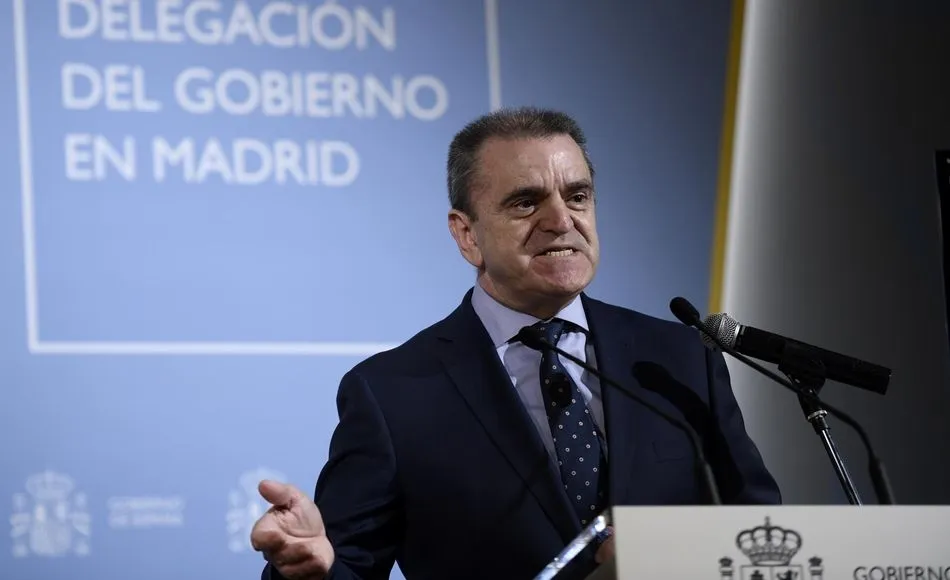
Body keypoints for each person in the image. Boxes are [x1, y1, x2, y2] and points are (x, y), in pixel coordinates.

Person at [250, 107, 781, 580]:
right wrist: (310, 570)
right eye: (526, 203)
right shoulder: (391, 393)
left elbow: (755, 529)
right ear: (466, 234)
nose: (561, 221)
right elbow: (344, 564)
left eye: (577, 196)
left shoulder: (675, 358)